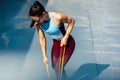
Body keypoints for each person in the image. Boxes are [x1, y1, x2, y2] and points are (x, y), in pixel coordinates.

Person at [28, 1, 75, 80]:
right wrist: (44, 56)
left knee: (58, 68)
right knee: (55, 66)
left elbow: (72, 21)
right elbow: (42, 38)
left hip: (67, 43)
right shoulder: (38, 23)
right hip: (56, 43)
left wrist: (65, 37)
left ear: (43, 13)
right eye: (34, 20)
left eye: (37, 19)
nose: (36, 22)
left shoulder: (57, 17)